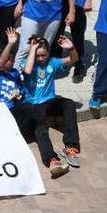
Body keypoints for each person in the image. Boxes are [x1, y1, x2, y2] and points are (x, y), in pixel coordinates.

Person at [20, 35, 81, 179]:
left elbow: (73, 59)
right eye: (38, 55)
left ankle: (70, 147)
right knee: (40, 127)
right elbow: (27, 71)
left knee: (69, 104)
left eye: (43, 55)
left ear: (48, 53)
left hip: (49, 101)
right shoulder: (26, 62)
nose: (41, 59)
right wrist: (32, 51)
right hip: (32, 104)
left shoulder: (52, 63)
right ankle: (52, 160)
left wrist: (71, 48)